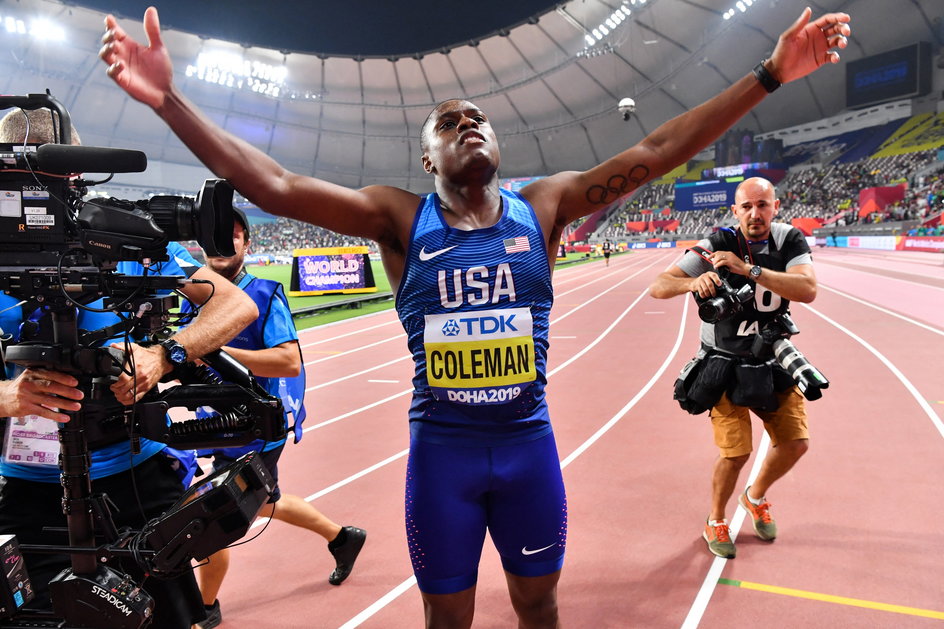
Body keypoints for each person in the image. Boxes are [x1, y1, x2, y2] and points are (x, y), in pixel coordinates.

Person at [100, 8, 850, 627]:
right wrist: (169, 100)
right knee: (446, 619)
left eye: (479, 118)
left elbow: (656, 150)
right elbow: (274, 183)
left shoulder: (546, 205)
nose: (470, 123)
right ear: (427, 159)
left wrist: (769, 75)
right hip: (442, 461)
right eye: (450, 120)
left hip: (528, 450)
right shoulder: (398, 218)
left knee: (540, 608)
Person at [0, 107, 259, 629]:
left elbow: (235, 305)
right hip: (28, 489)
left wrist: (164, 355)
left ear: (77, 172)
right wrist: (6, 395)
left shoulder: (116, 234)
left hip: (135, 477)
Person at [183, 209, 366, 629]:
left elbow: (287, 361)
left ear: (248, 244)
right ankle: (342, 537)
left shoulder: (266, 293)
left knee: (211, 516)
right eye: (213, 235)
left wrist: (214, 352)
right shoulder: (192, 295)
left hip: (257, 428)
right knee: (265, 502)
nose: (222, 244)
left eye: (232, 235)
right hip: (214, 424)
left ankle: (203, 609)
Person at [649, 177, 817, 559]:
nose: (755, 214)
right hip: (724, 363)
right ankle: (715, 519)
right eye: (747, 207)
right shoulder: (718, 242)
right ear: (735, 211)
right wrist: (692, 284)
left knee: (795, 443)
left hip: (772, 358)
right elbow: (658, 285)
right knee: (735, 453)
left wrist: (749, 271)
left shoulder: (789, 239)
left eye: (762, 205)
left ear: (775, 205)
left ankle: (754, 496)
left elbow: (807, 290)